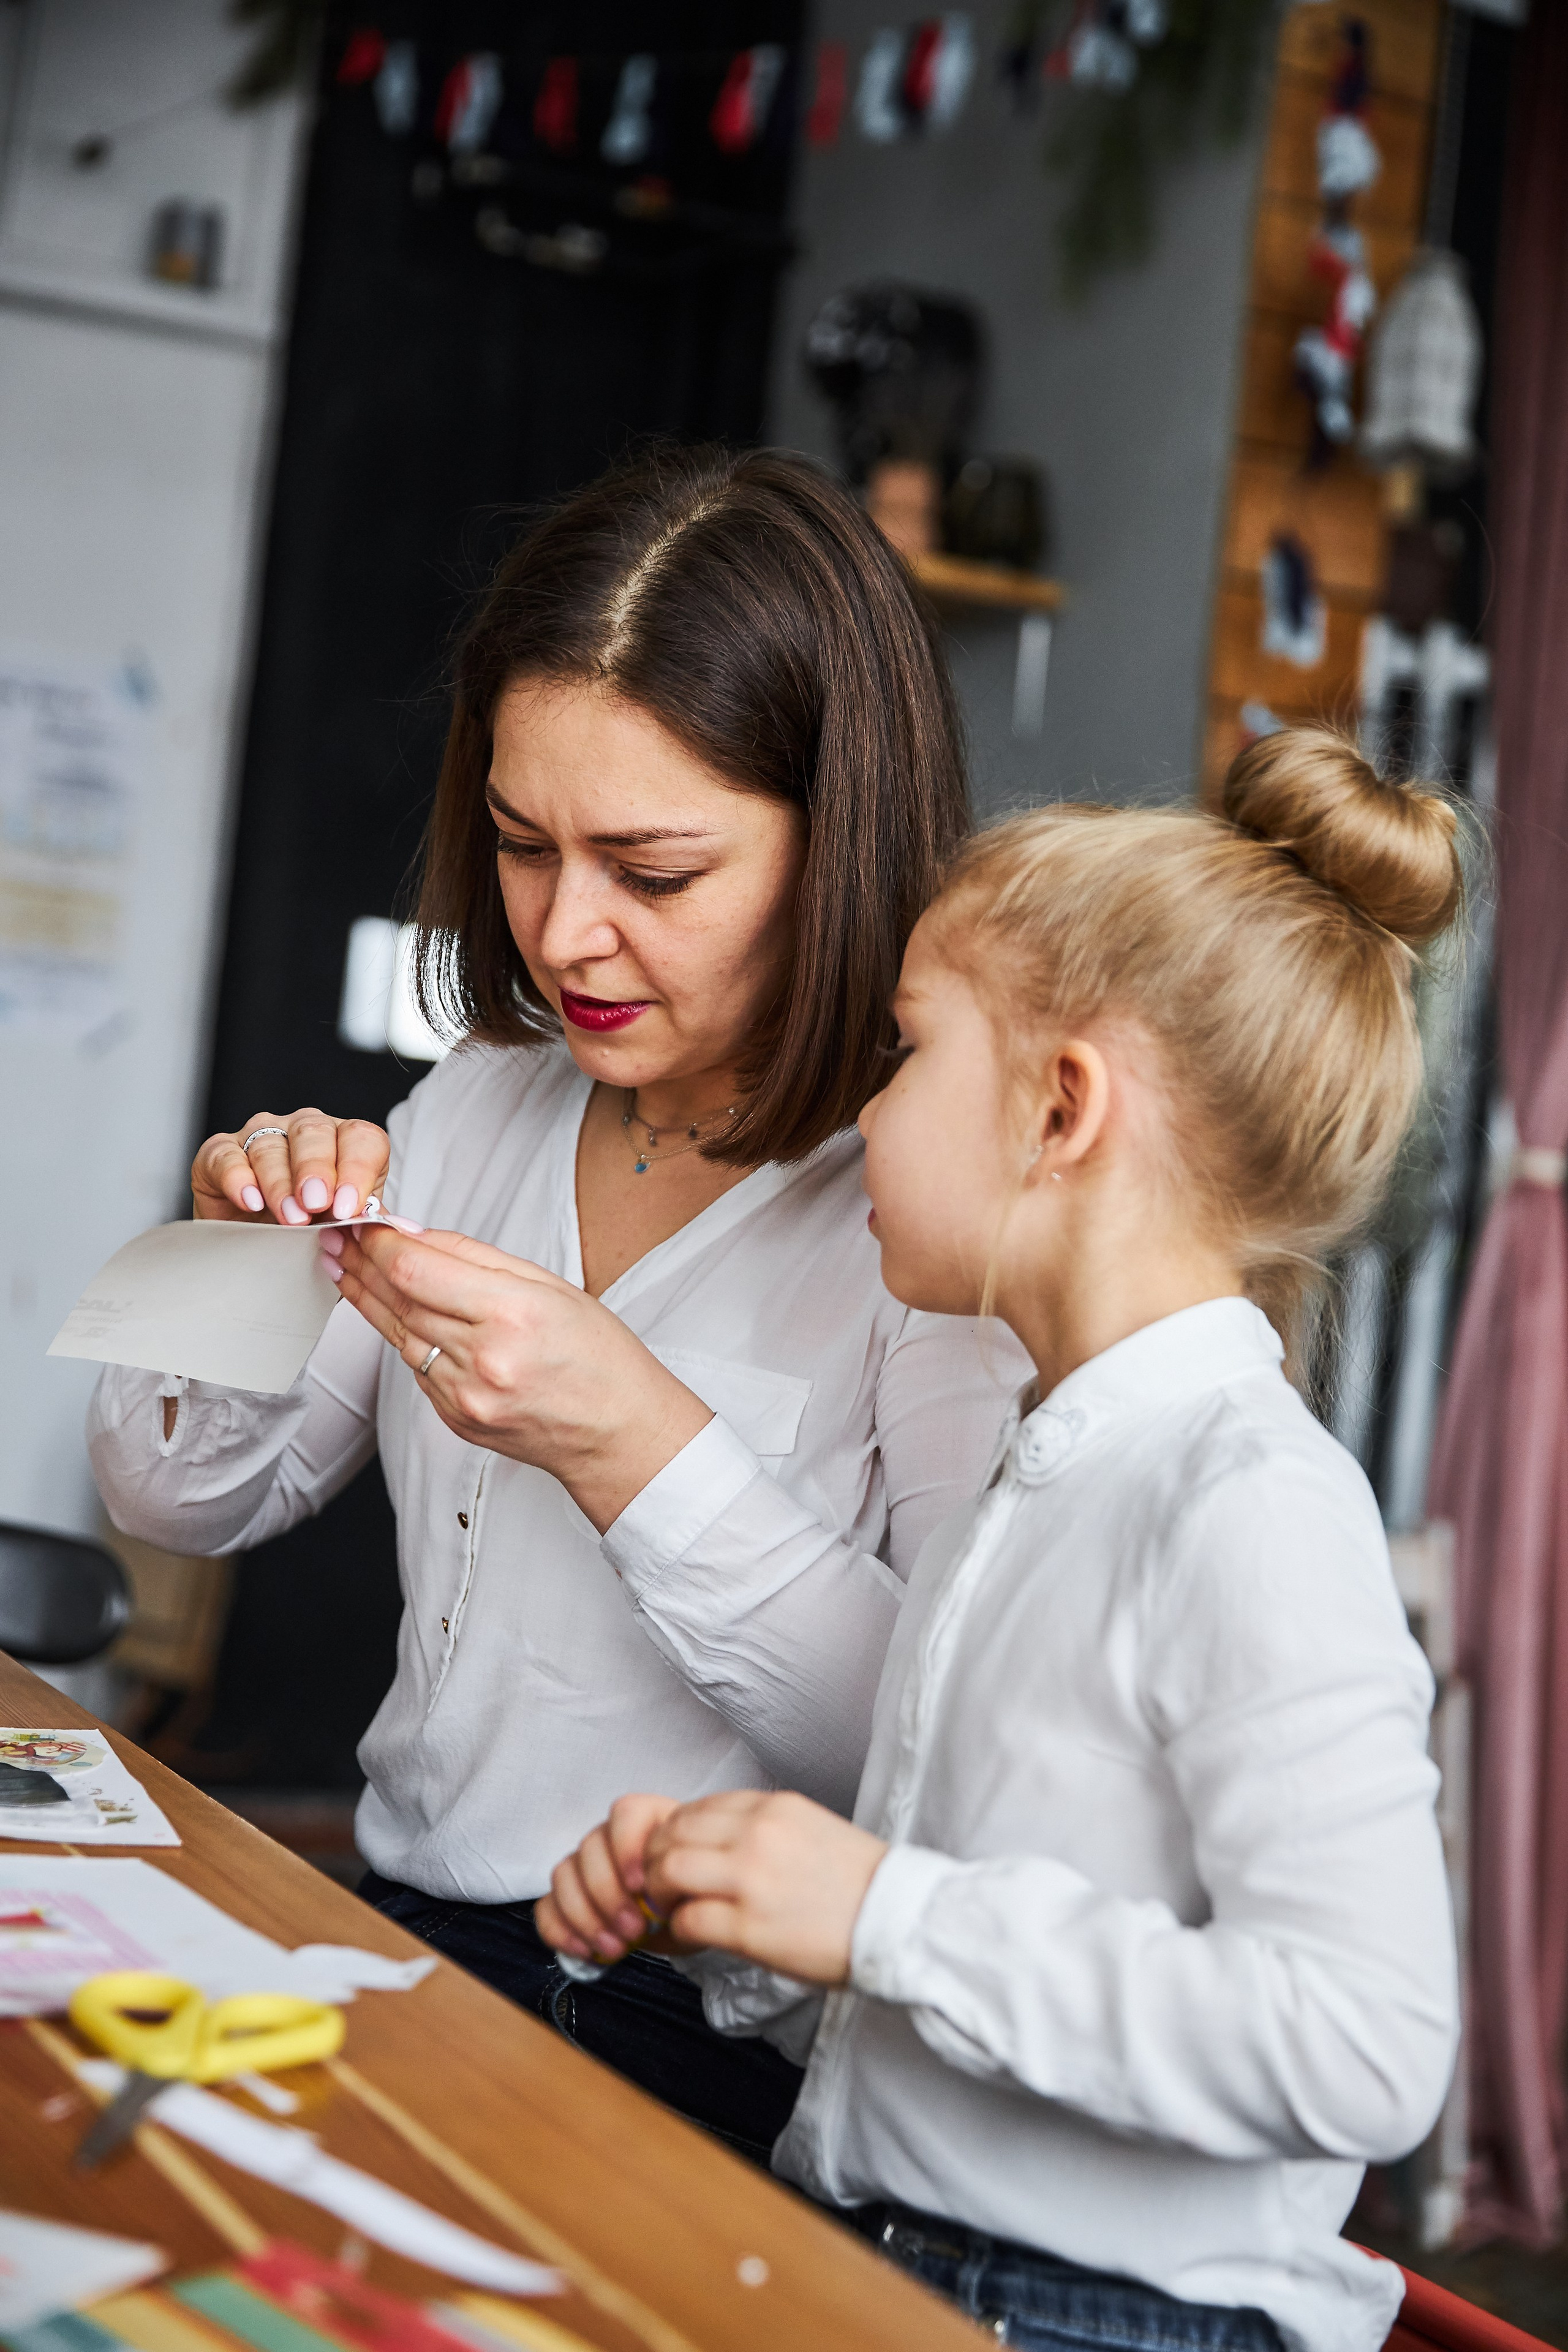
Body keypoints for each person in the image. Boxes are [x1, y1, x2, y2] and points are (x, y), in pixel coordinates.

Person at [88, 444, 1026, 2163]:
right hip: (409, 1937)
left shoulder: (933, 1223)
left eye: (652, 875)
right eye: (525, 845)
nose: (566, 937)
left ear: (842, 839)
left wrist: (637, 1442)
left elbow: (942, 1752)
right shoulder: (488, 1103)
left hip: (706, 2042)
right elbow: (178, 1499)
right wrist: (237, 1255)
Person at [538, 728, 1464, 2351]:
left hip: (1096, 2316)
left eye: (905, 1055)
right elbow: (991, 1979)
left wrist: (885, 1910)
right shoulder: (1040, 1472)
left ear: (1061, 1108)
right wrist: (750, 1920)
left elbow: (1366, 2044)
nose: (865, 1115)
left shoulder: (1246, 1503)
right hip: (909, 2259)